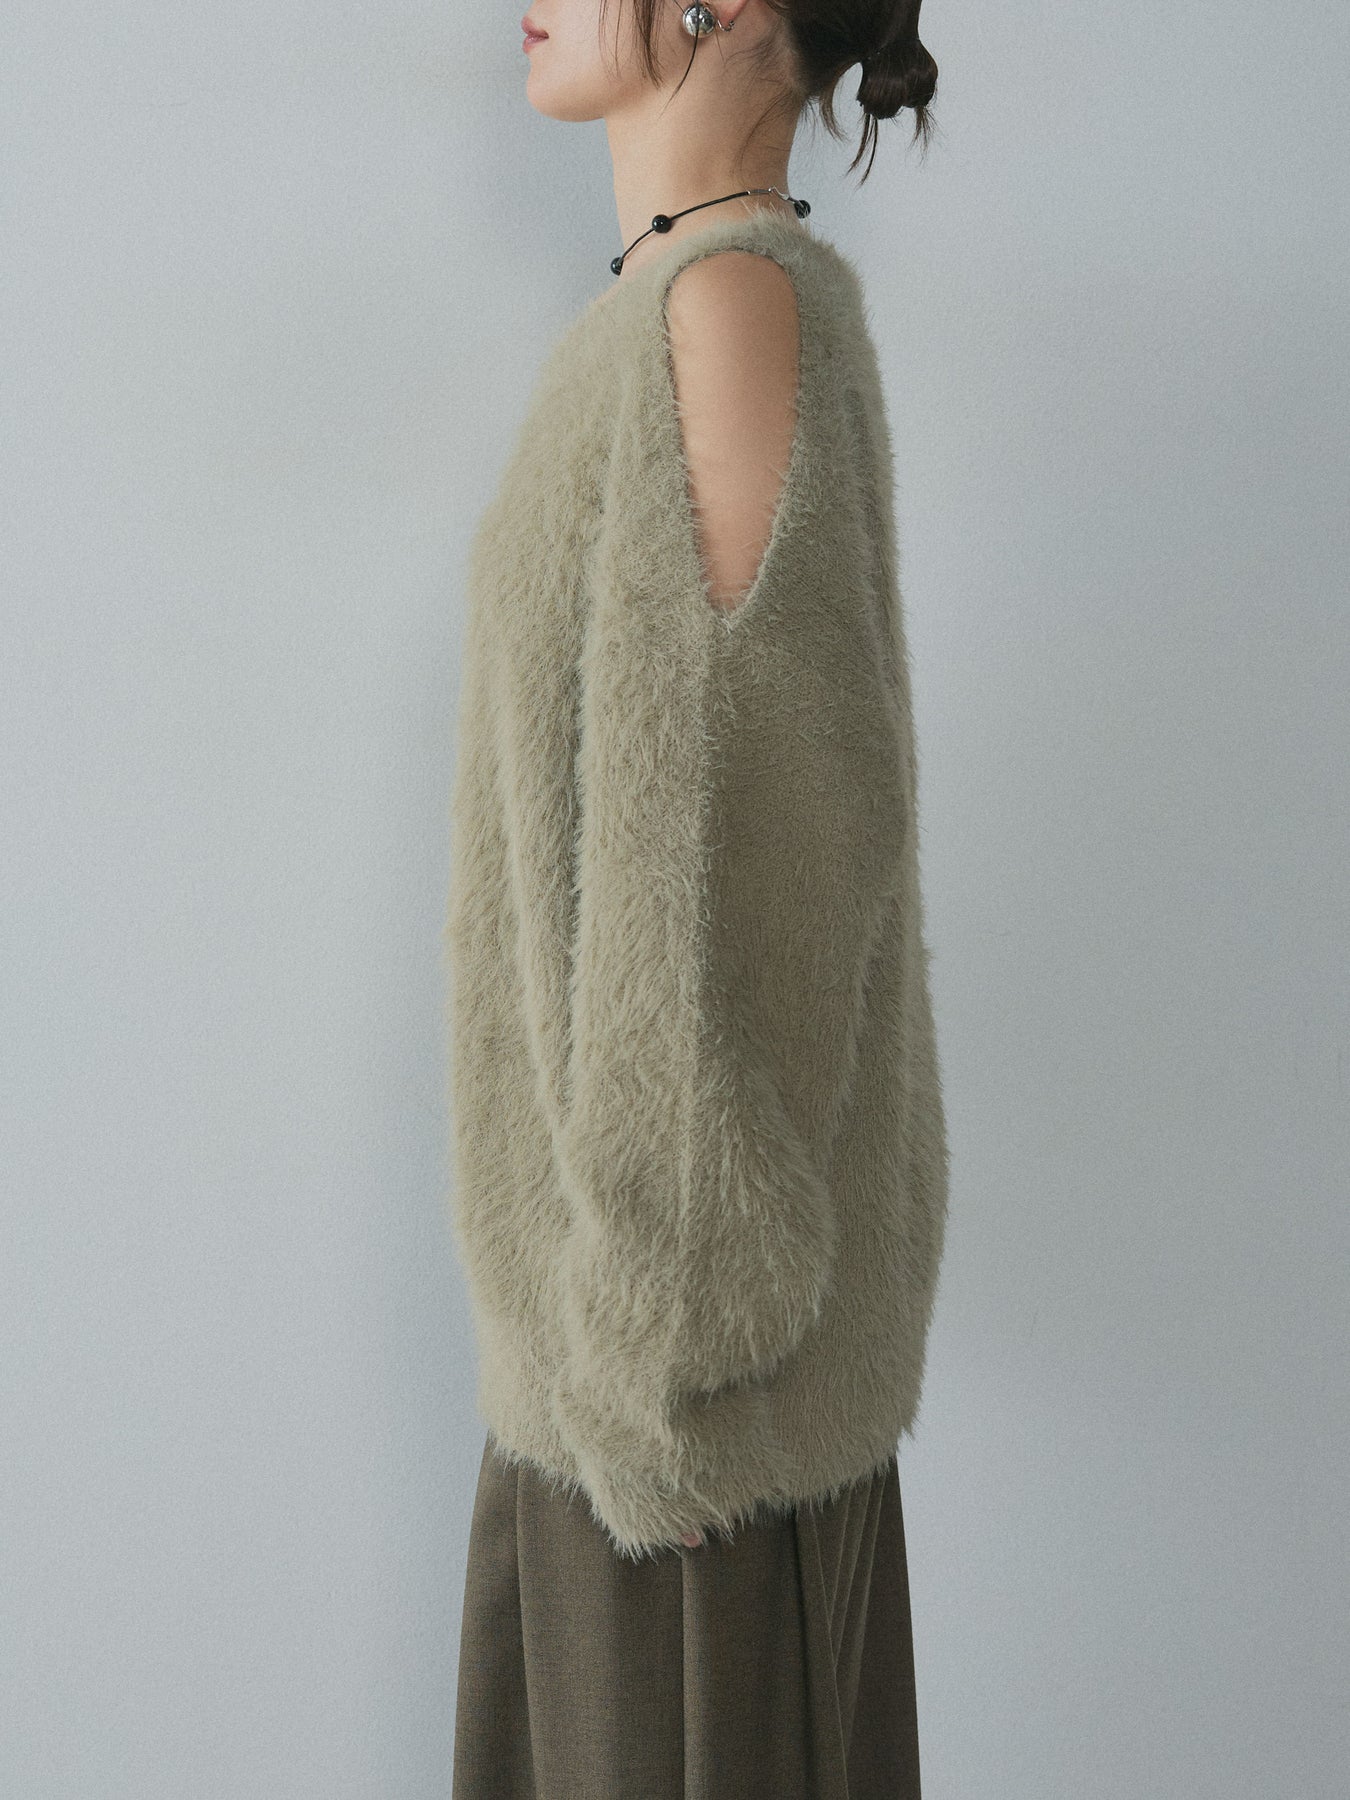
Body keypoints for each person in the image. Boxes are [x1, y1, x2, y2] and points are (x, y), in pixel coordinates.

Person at [445, 0, 947, 1792]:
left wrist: (656, 1359)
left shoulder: (721, 306)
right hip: (613, 1396)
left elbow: (746, 863)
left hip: (682, 1431)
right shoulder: (679, 303)